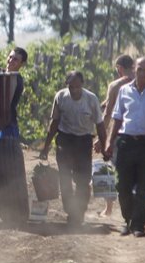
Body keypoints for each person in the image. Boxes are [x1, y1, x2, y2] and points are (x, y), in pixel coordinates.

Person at [103, 57, 145, 237]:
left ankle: (139, 225)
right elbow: (117, 118)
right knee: (122, 185)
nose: (142, 73)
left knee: (143, 186)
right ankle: (128, 220)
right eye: (139, 69)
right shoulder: (124, 91)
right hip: (125, 142)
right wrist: (109, 142)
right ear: (134, 69)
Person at [40, 70, 106, 224]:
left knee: (82, 180)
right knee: (64, 177)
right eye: (71, 87)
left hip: (83, 141)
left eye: (77, 87)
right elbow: (54, 122)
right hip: (65, 140)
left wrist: (104, 146)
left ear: (82, 85)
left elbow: (100, 125)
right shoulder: (61, 97)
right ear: (67, 86)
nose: (74, 90)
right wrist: (46, 146)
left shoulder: (91, 99)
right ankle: (70, 210)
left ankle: (80, 210)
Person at [96, 54, 135, 218]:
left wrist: (100, 137)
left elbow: (107, 113)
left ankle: (109, 209)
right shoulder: (144, 82)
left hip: (118, 134)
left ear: (119, 68)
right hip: (139, 134)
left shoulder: (115, 85)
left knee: (108, 169)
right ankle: (132, 207)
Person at [0, 47, 27, 141]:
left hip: (8, 126)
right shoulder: (3, 73)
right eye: (10, 57)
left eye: (15, 59)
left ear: (22, 64)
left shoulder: (16, 79)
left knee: (8, 154)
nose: (11, 60)